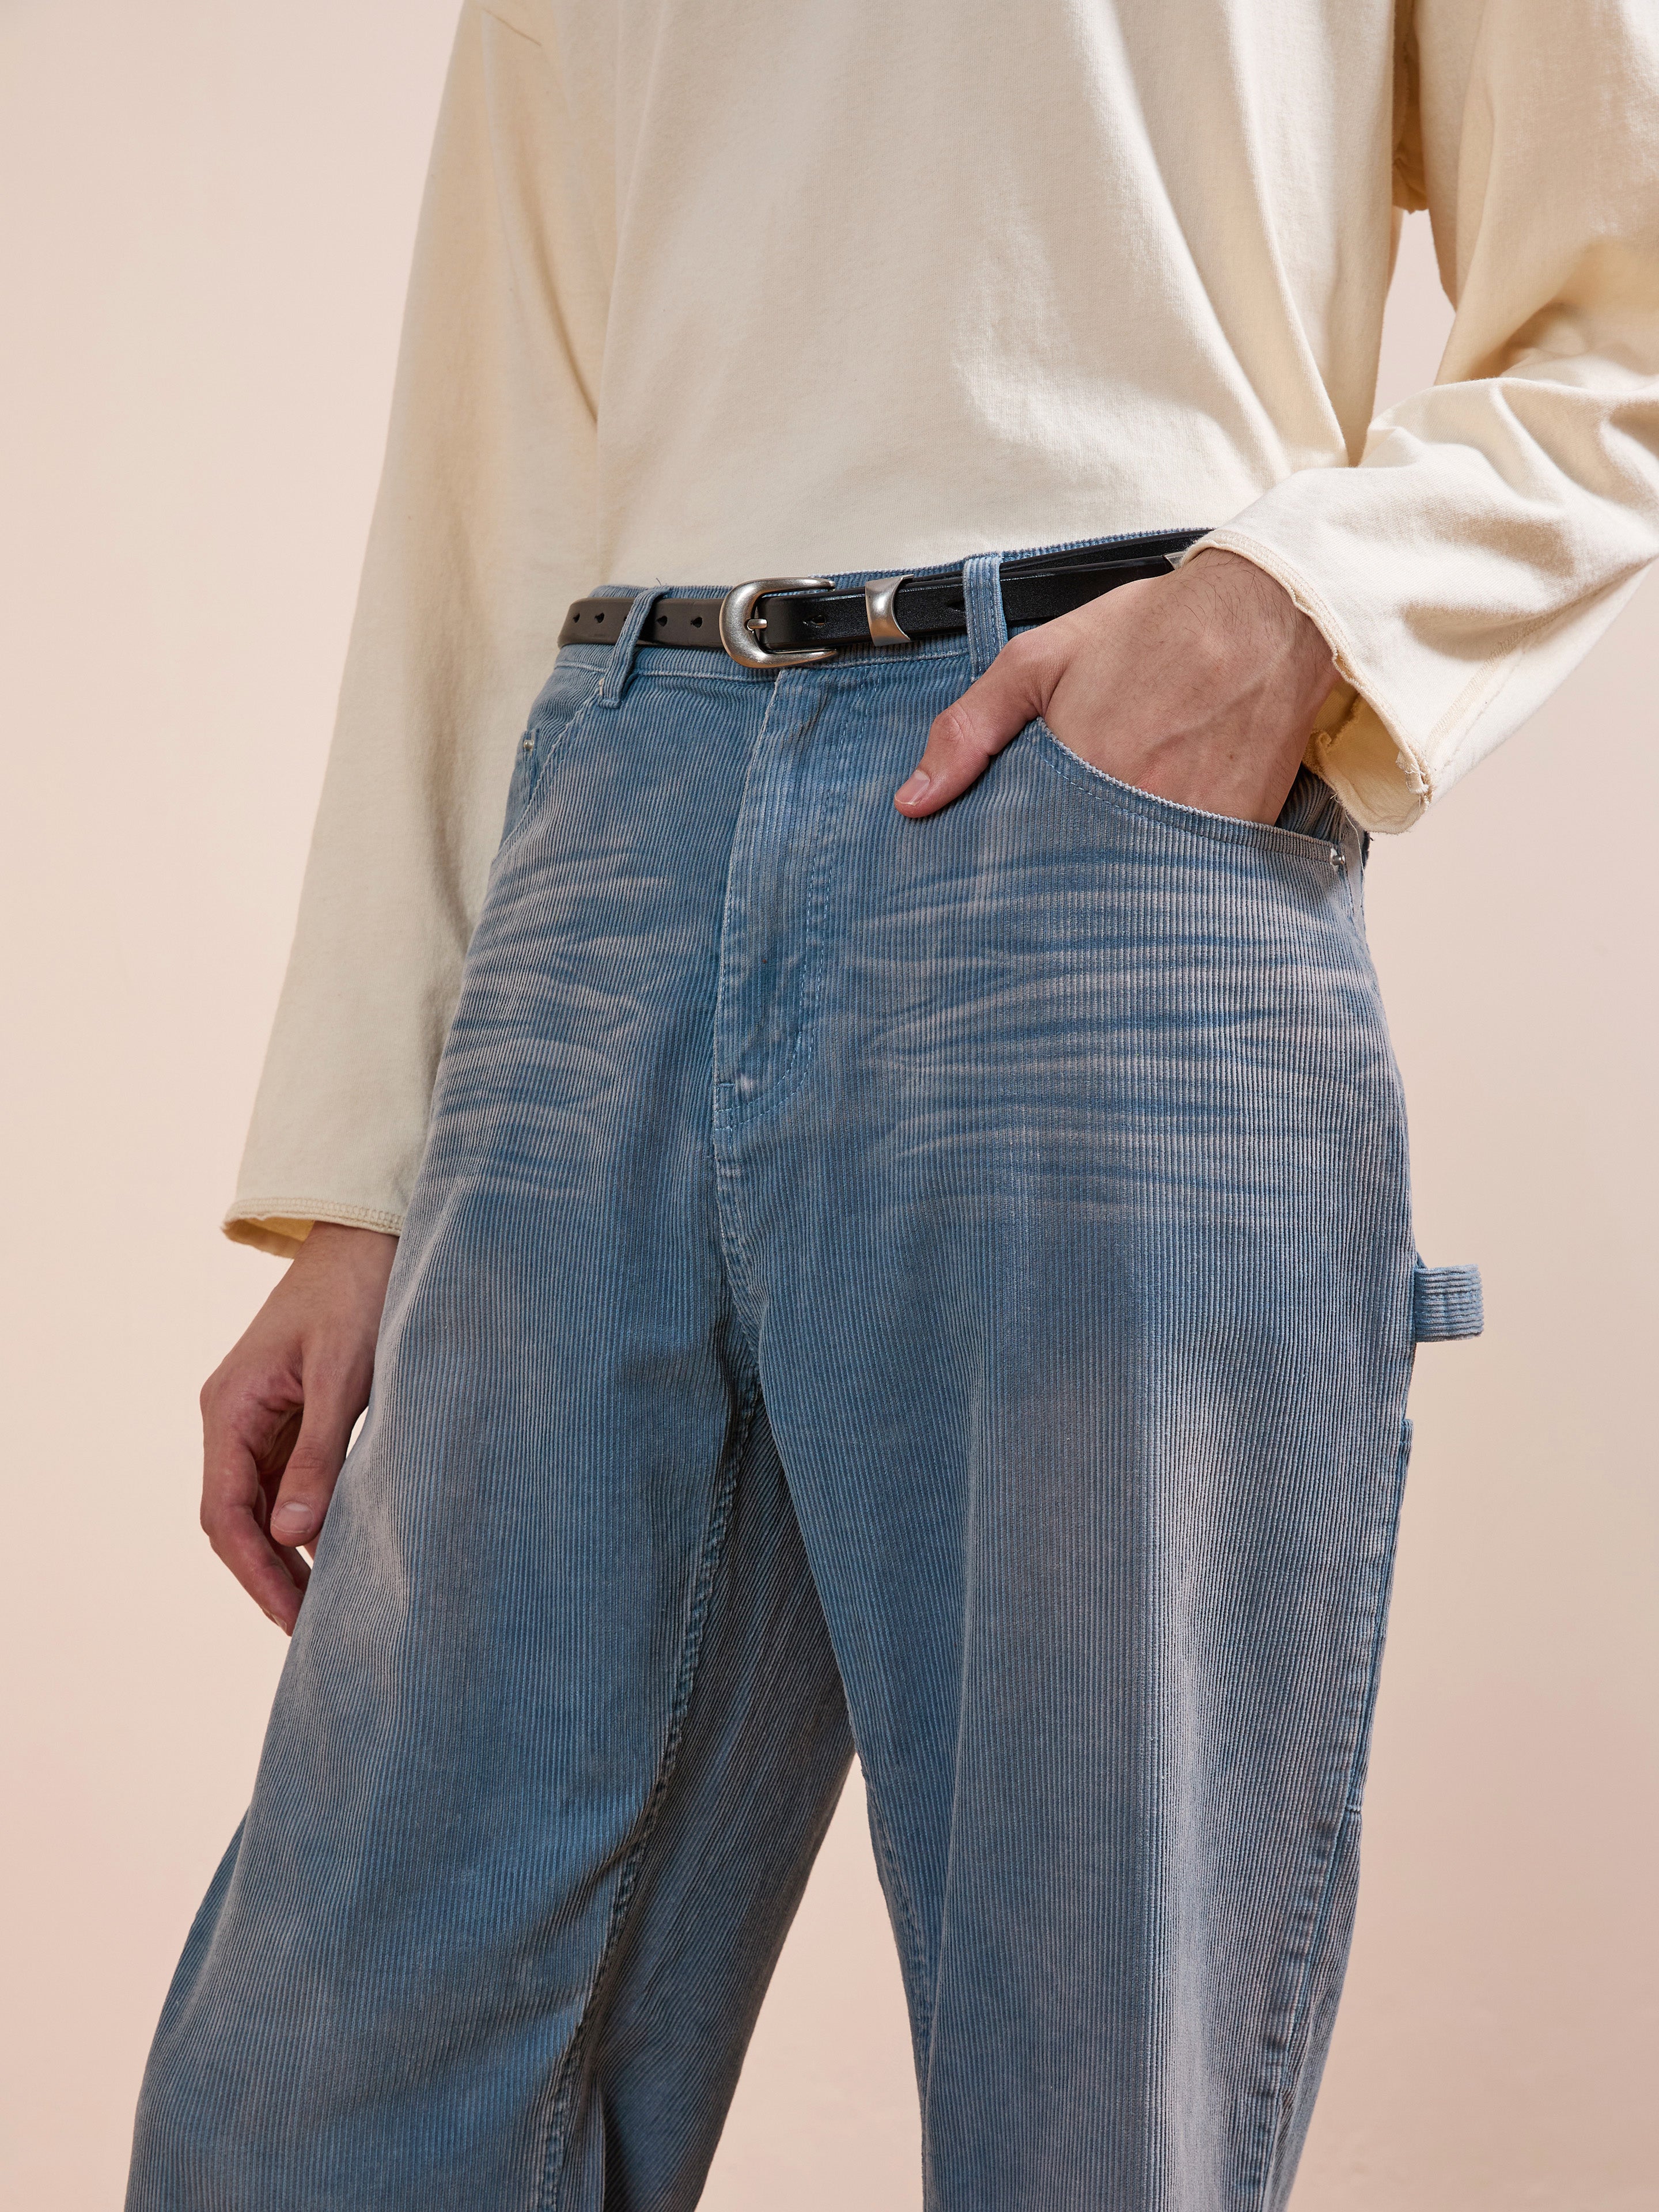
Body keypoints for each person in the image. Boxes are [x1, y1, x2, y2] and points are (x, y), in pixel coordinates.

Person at [127, 4, 1658, 2207]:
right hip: (614, 804)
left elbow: (1622, 281)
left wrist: (1288, 616)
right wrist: (362, 1163)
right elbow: (498, 430)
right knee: (341, 2088)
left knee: (1093, 2098)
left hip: (1094, 806)